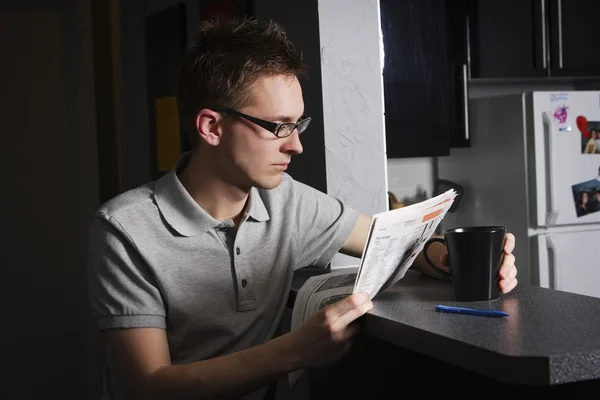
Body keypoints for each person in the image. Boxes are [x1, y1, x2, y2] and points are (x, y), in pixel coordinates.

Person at [87, 17, 518, 400]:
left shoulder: (287, 200)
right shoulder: (125, 230)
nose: (296, 144)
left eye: (298, 124)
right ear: (211, 126)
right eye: (279, 127)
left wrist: (457, 258)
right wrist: (294, 351)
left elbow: (393, 240)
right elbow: (151, 384)